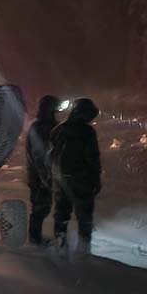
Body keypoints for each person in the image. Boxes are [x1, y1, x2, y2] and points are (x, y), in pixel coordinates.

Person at [50, 97, 102, 255]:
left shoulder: (58, 130)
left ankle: (60, 244)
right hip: (82, 180)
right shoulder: (87, 132)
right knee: (84, 216)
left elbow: (51, 155)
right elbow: (92, 157)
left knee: (61, 214)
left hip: (62, 180)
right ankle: (84, 249)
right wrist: (96, 179)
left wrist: (53, 176)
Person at [25, 95, 60, 245]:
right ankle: (35, 238)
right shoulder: (41, 127)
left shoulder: (46, 126)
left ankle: (36, 237)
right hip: (40, 175)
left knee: (42, 207)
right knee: (40, 208)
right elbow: (37, 154)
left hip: (43, 174)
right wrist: (43, 175)